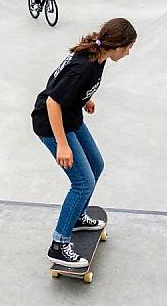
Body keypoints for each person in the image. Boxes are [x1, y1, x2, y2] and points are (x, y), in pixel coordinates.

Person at [32, 18, 137, 267]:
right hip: (51, 124)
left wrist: (83, 98)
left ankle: (77, 217)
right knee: (82, 182)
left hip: (72, 118)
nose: (129, 53)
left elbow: (63, 85)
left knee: (96, 166)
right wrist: (62, 144)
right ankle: (59, 244)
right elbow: (52, 101)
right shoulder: (85, 66)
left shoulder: (98, 56)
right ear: (117, 45)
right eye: (128, 47)